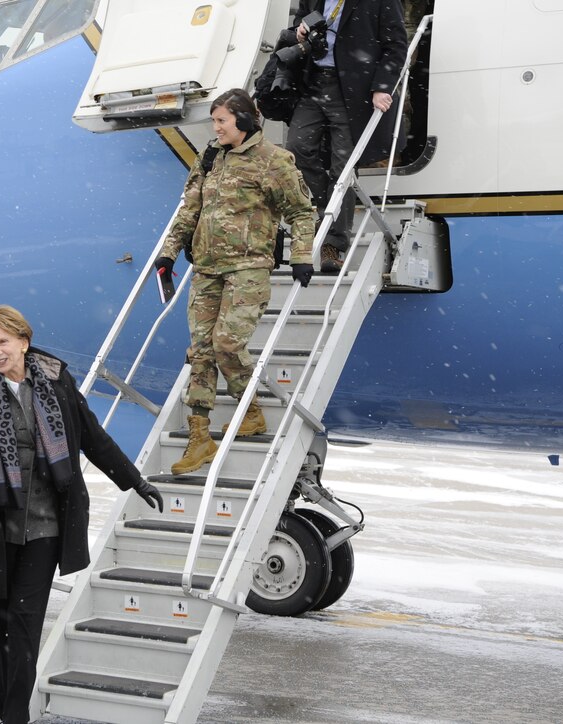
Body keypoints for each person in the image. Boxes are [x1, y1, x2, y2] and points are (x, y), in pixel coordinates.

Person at [0, 304, 163, 724]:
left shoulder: (55, 381)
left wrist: (135, 480)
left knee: (25, 626)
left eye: (3, 342)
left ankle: (15, 717)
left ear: (24, 342)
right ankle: (7, 708)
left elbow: (92, 437)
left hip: (44, 528)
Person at [153, 88, 317, 476]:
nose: (216, 128)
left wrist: (302, 255)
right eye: (214, 121)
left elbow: (301, 211)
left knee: (227, 343)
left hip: (248, 267)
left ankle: (252, 411)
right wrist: (168, 253)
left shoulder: (273, 161)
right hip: (207, 267)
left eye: (221, 120)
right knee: (200, 351)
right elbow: (189, 208)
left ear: (243, 120)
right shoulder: (210, 158)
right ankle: (199, 437)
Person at [285, 0, 407, 273]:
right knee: (296, 148)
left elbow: (396, 46)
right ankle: (320, 218)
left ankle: (334, 243)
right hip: (314, 82)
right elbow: (297, 24)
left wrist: (382, 86)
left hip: (353, 91)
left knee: (343, 167)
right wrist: (300, 31)